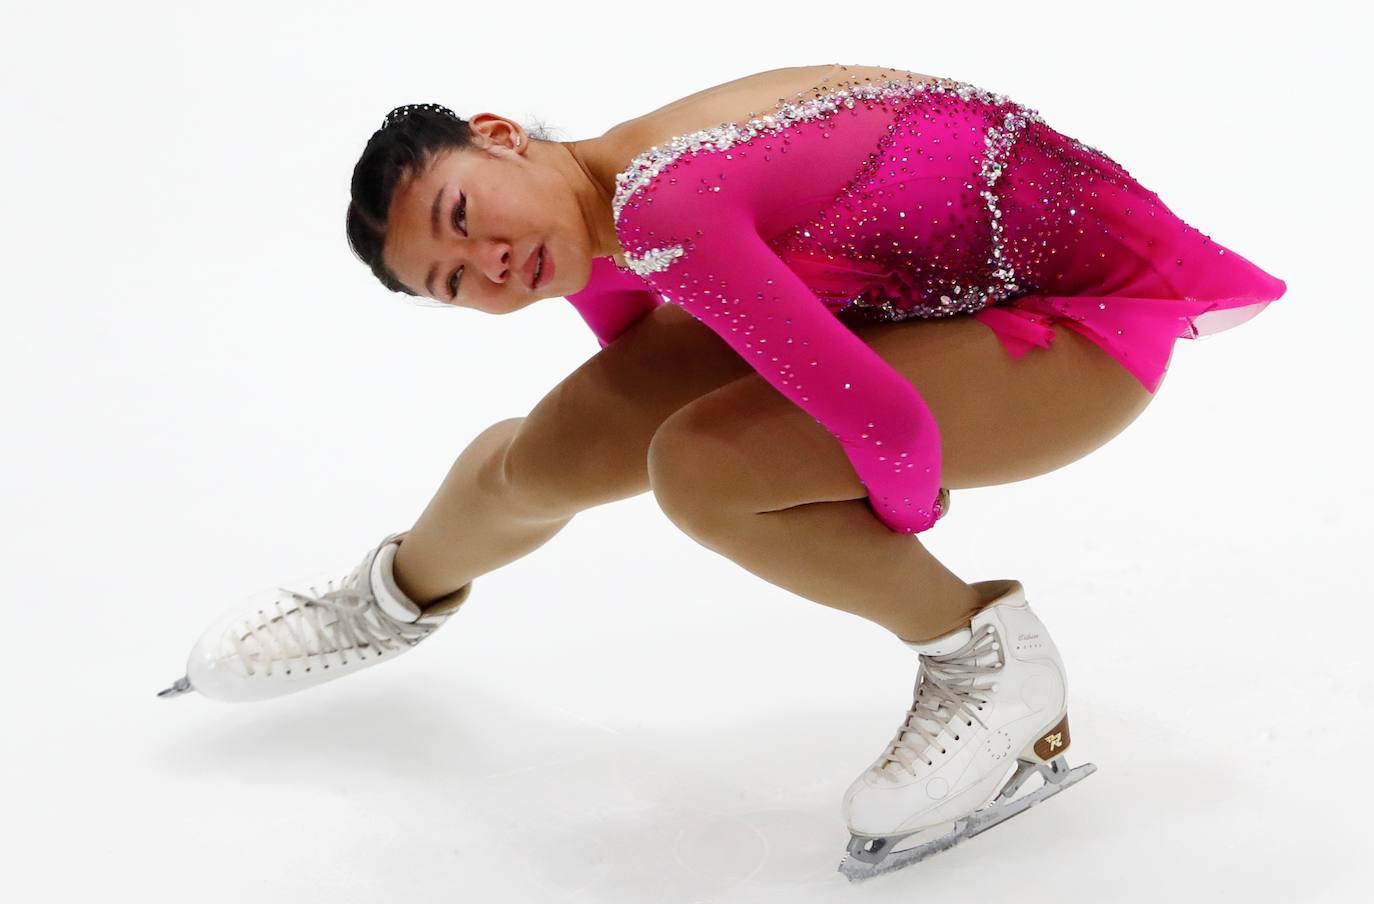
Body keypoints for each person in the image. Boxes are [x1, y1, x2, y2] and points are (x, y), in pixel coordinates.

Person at [159, 64, 1287, 876]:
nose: (492, 263)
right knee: (556, 450)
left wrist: (863, 510)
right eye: (457, 283)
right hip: (896, 295)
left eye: (464, 216)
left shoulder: (669, 204)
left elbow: (891, 431)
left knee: (702, 471)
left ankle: (984, 661)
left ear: (498, 133)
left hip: (1077, 324)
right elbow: (629, 349)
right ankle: (391, 595)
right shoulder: (602, 206)